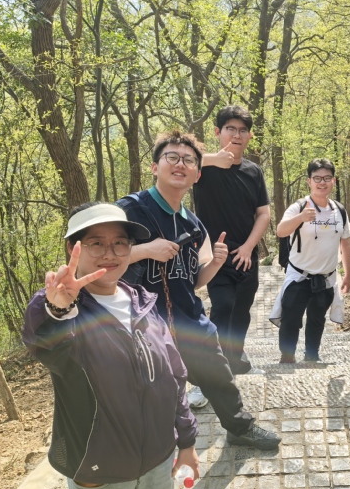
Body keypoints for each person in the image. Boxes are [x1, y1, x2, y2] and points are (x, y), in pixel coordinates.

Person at [22, 202, 197, 489]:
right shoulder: (65, 308)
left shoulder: (143, 302)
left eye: (120, 243)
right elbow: (46, 343)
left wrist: (187, 441)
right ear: (74, 249)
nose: (110, 253)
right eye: (96, 243)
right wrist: (57, 307)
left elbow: (174, 375)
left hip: (157, 458)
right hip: (100, 467)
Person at [117, 131, 280, 451]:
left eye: (189, 160)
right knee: (152, 397)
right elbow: (99, 263)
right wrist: (145, 250)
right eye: (172, 157)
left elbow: (192, 282)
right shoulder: (130, 211)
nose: (180, 164)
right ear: (155, 167)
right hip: (144, 328)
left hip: (190, 322)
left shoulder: (193, 224)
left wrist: (216, 263)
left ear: (197, 174)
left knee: (220, 377)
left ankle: (239, 429)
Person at [192, 105, 271, 375]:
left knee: (242, 310)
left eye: (242, 130)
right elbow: (176, 165)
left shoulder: (253, 172)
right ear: (218, 132)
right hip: (214, 254)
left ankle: (234, 357)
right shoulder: (202, 169)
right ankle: (214, 367)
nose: (237, 135)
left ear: (249, 136)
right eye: (230, 129)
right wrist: (213, 159)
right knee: (223, 305)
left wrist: (249, 247)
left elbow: (263, 214)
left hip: (246, 254)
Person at [271, 158, 350, 364]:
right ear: (309, 181)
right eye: (317, 178)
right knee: (291, 318)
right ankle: (287, 356)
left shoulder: (339, 210)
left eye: (326, 178)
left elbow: (345, 243)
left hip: (326, 277)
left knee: (317, 319)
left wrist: (348, 275)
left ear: (333, 181)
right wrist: (300, 218)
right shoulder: (298, 207)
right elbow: (280, 230)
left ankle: (312, 355)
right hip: (299, 275)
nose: (322, 182)